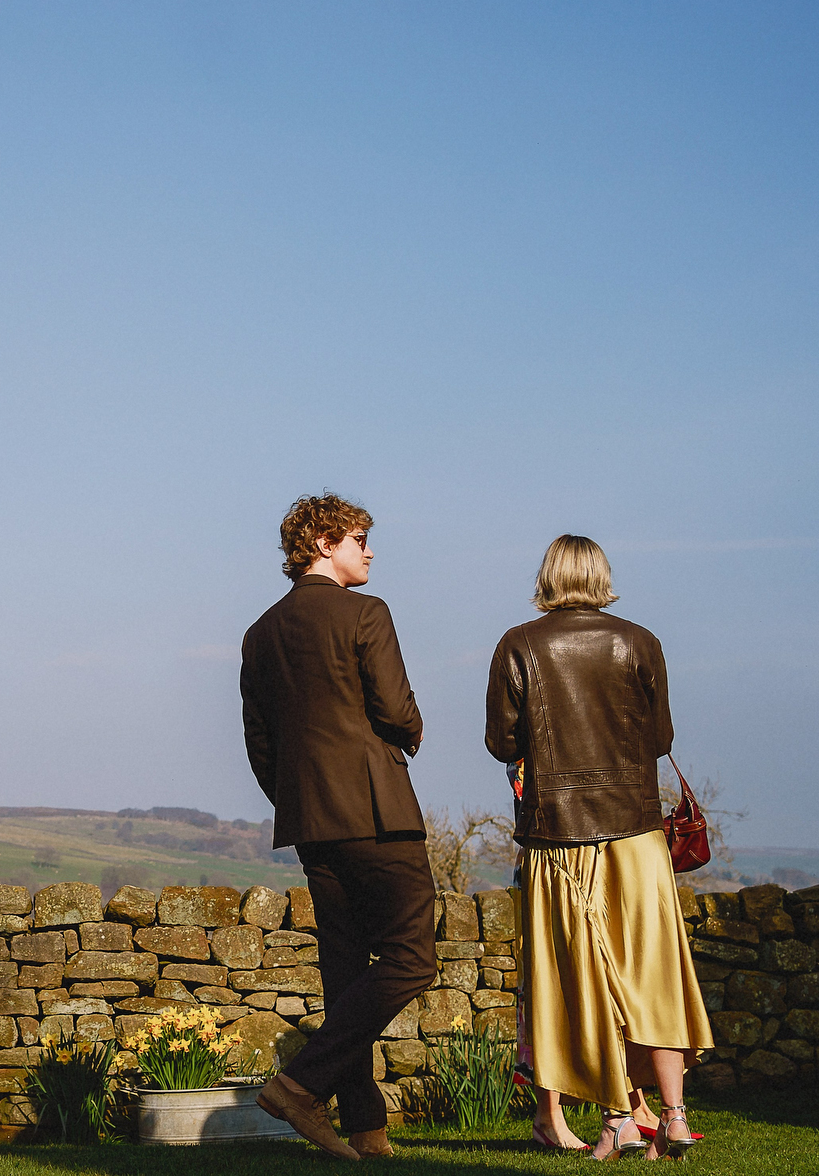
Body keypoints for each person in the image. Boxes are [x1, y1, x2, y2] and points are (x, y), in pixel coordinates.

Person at [486, 535, 712, 1161]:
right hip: (637, 832)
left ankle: (616, 1117)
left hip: (559, 833)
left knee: (584, 976)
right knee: (651, 971)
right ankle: (670, 1114)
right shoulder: (641, 642)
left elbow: (502, 743)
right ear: (602, 575)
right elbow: (661, 735)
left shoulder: (518, 644)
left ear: (548, 577)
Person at [241, 492, 434, 1162]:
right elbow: (396, 708)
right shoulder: (365, 613)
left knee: (347, 972)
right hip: (377, 810)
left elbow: (260, 746)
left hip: (310, 820)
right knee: (413, 959)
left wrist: (299, 797)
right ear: (323, 542)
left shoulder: (259, 633)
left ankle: (367, 1134)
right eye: (359, 538)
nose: (370, 549)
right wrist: (411, 732)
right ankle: (297, 1086)